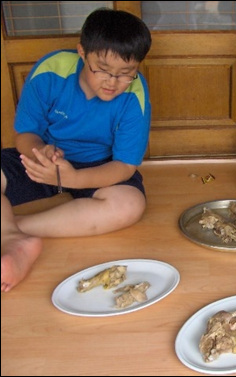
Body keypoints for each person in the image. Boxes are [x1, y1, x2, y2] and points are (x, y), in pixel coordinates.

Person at [1, 8, 152, 293]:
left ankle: (13, 230)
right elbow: (24, 133)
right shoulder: (51, 70)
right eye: (103, 71)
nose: (113, 82)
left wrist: (72, 179)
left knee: (130, 205)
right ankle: (11, 236)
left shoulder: (135, 95)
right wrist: (41, 153)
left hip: (98, 166)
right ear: (82, 52)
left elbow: (124, 166)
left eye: (125, 74)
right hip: (44, 158)